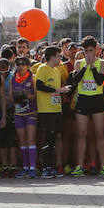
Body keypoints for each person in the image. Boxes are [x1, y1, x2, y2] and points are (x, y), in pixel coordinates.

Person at [70, 36, 104, 177]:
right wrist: (86, 65)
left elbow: (99, 81)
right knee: (81, 134)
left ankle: (103, 166)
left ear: (96, 50)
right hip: (83, 100)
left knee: (100, 134)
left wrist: (92, 65)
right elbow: (76, 80)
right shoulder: (79, 63)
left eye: (91, 50)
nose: (88, 54)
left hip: (97, 100)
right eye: (86, 51)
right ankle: (80, 166)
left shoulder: (103, 63)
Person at [35, 46, 71, 178]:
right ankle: (45, 168)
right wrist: (58, 91)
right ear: (52, 56)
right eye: (58, 56)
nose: (60, 59)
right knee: (47, 138)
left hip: (56, 109)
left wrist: (63, 89)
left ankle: (52, 166)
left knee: (54, 139)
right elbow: (39, 86)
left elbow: (57, 89)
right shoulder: (42, 68)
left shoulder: (56, 70)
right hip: (46, 110)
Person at [10, 55, 37, 178]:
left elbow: (36, 95)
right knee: (22, 141)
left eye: (23, 64)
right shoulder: (12, 79)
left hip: (31, 112)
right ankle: (25, 167)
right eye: (18, 64)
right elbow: (10, 97)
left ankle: (32, 167)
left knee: (31, 139)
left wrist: (26, 96)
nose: (20, 67)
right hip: (18, 113)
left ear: (27, 66)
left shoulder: (32, 78)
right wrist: (16, 98)